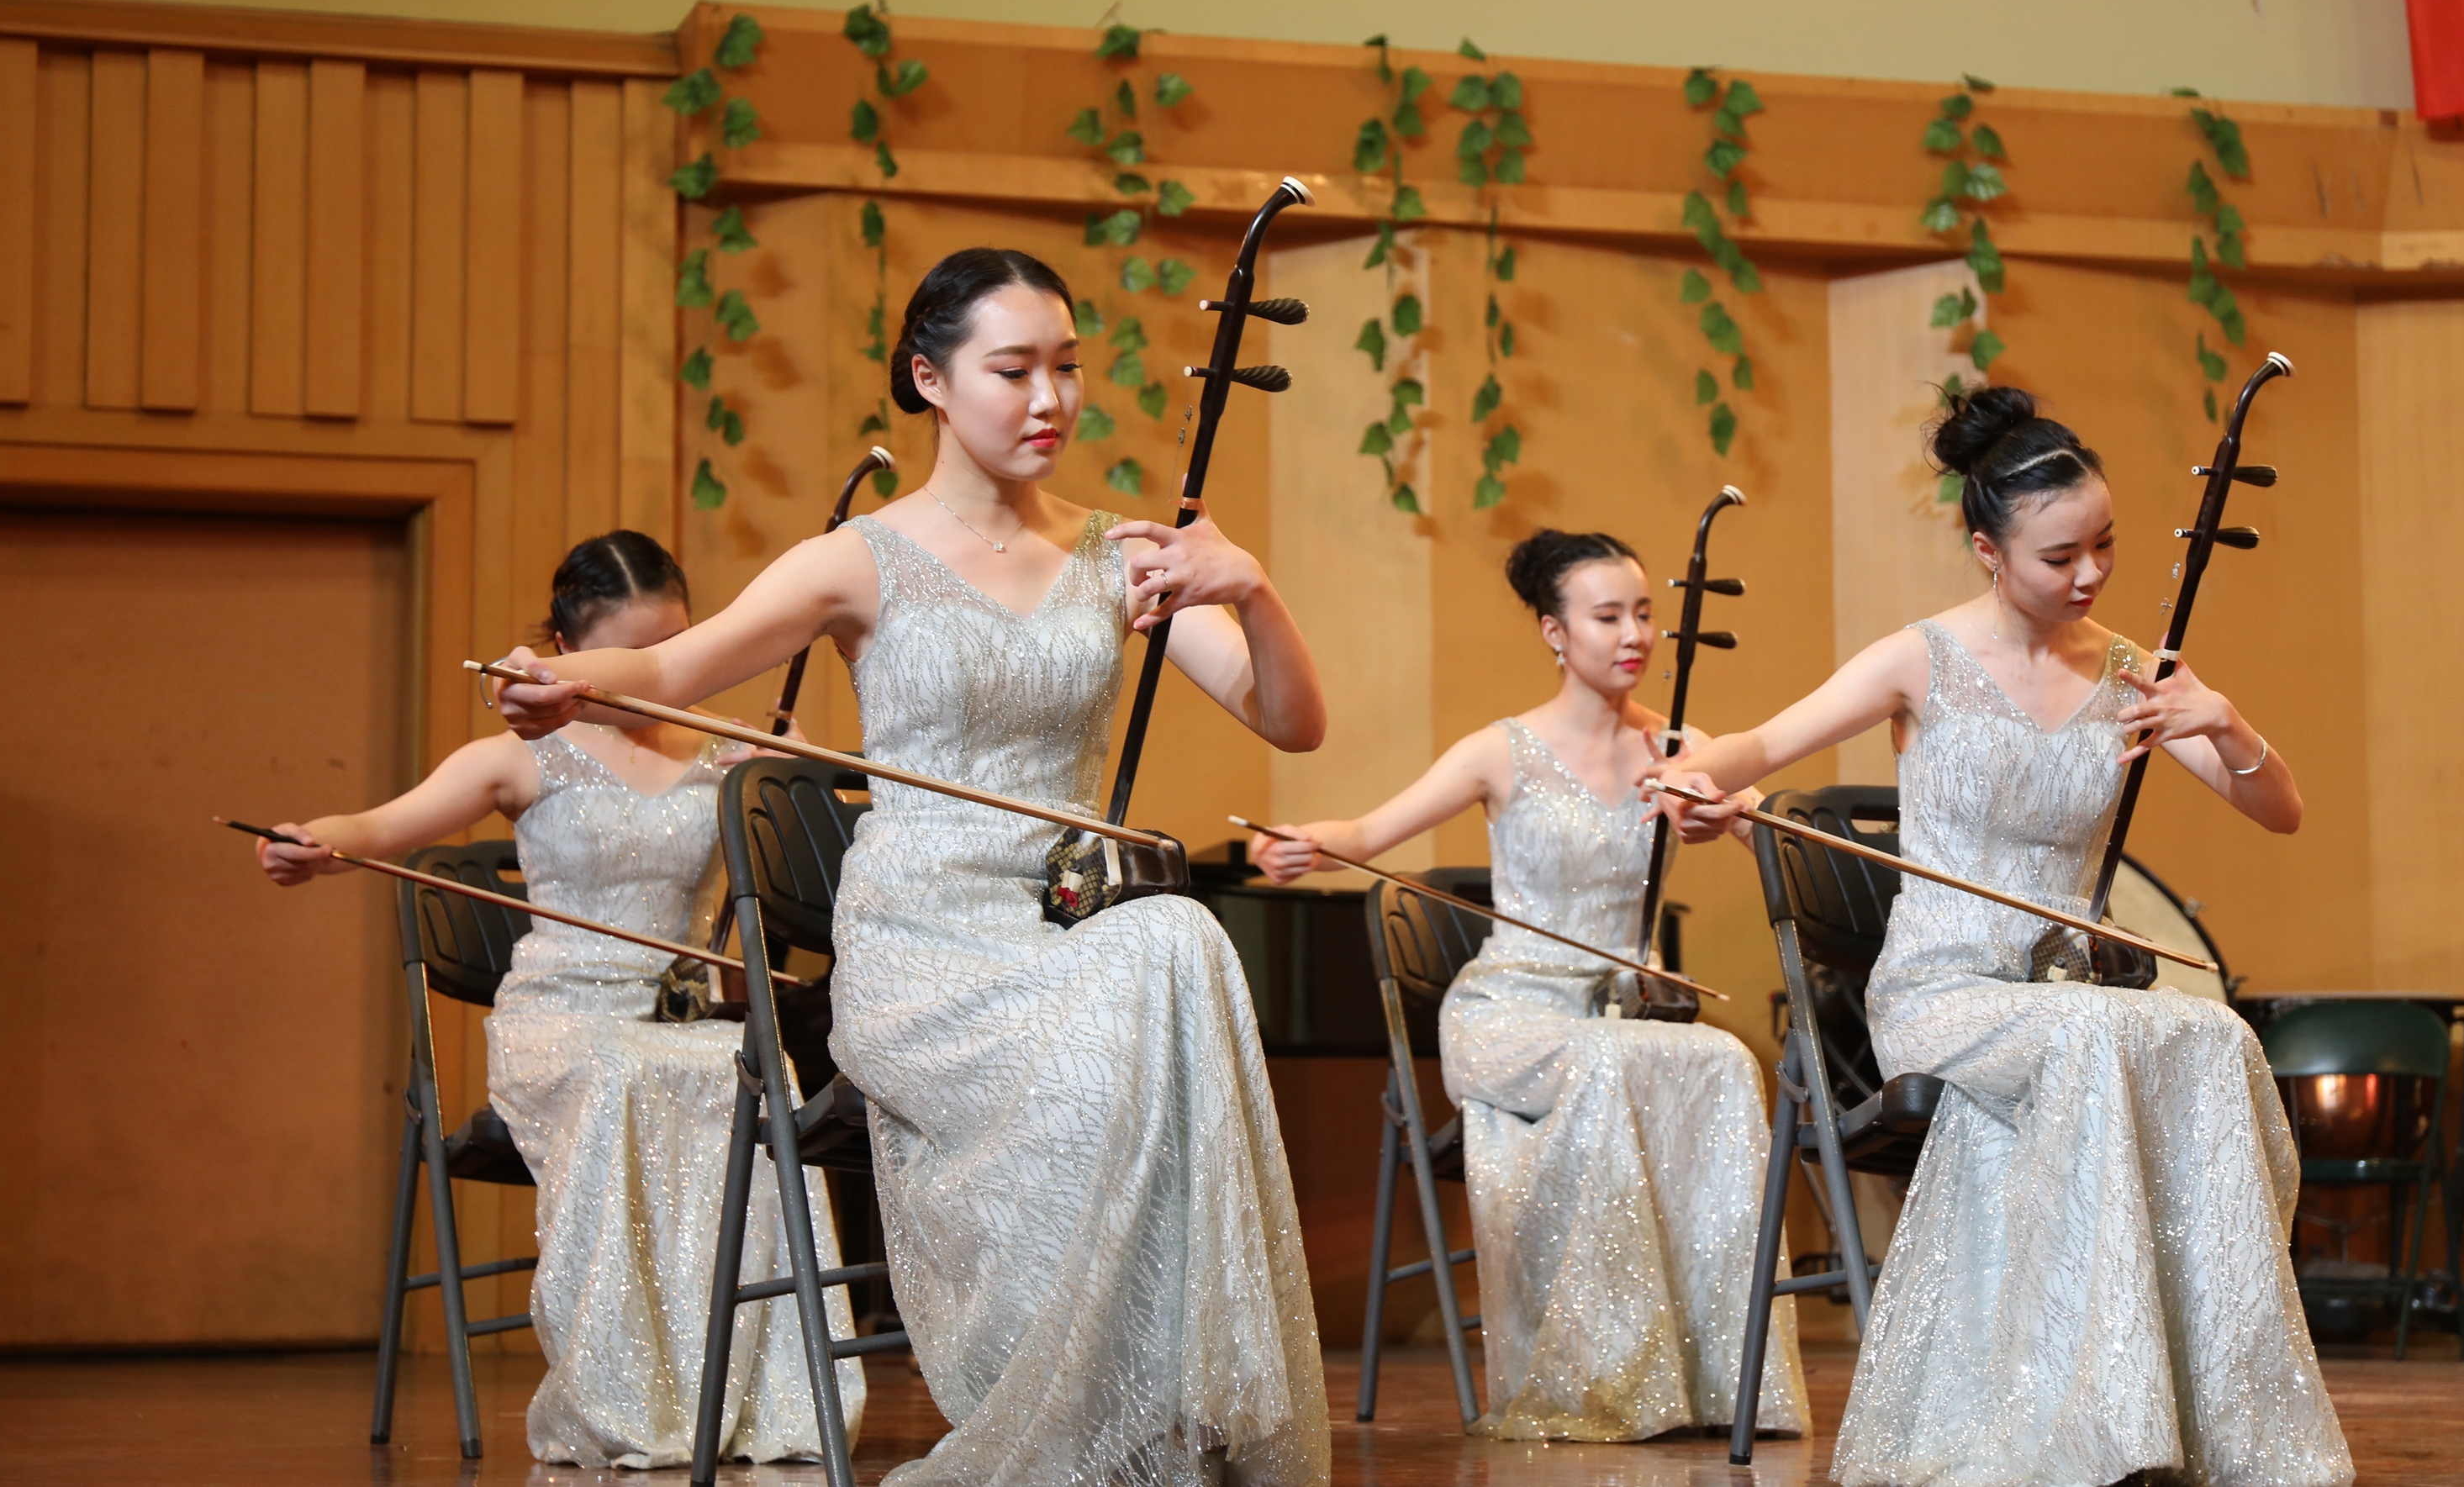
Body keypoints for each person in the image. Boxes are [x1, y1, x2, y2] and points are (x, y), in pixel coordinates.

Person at [492, 246, 1332, 1487]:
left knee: (1174, 940)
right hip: (920, 948)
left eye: (1068, 368)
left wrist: (1251, 590)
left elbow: (1291, 724)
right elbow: (675, 667)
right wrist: (564, 681)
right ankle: (1086, 1415)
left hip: (1058, 937)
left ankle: (1152, 1415)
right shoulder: (859, 557)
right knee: (1144, 982)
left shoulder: (1121, 555)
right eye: (1014, 370)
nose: (1049, 400)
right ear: (930, 379)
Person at [1661, 386, 2351, 1487]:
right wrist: (1697, 779)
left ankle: (2218, 1418)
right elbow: (1763, 743)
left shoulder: (2129, 673)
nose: (2088, 575)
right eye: (2058, 555)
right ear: (1988, 551)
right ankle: (2088, 1418)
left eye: (2105, 544)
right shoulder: (1920, 659)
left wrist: (2222, 719)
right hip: (1942, 993)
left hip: (2063, 992)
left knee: (2214, 1036)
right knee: (2092, 1042)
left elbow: (2282, 812)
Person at [256, 530, 860, 1470]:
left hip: (677, 1021)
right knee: (624, 1072)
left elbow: (836, 832)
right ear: (570, 653)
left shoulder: (725, 750)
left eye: (669, 646)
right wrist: (316, 842)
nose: (650, 676)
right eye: (623, 655)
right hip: (563, 1025)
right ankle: (628, 1397)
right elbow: (379, 825)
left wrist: (792, 773)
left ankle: (758, 1396)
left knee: (760, 1071)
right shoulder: (519, 759)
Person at [1251, 529, 1808, 1443]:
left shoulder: (1679, 747)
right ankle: (1608, 1378)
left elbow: (1764, 843)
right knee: (1605, 1065)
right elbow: (1371, 831)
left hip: (1621, 1013)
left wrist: (1733, 814)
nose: (1633, 634)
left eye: (1643, 614)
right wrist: (1307, 843)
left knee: (1723, 1062)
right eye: (1607, 616)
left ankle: (1722, 1383)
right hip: (1512, 1011)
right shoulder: (1499, 751)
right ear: (1554, 632)